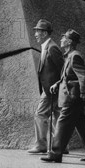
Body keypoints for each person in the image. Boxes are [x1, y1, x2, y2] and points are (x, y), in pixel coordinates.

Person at [41, 29, 85, 163]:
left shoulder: (75, 56)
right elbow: (68, 76)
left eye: (64, 38)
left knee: (62, 123)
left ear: (69, 41)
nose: (61, 40)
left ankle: (55, 153)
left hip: (72, 97)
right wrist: (57, 84)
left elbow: (83, 76)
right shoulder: (68, 55)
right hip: (71, 96)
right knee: (81, 126)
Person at [28, 19, 65, 154]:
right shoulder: (46, 46)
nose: (36, 34)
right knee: (57, 117)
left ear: (44, 33)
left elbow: (63, 70)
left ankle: (41, 145)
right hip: (50, 89)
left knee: (40, 115)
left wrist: (58, 85)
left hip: (51, 90)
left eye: (37, 31)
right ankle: (61, 145)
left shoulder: (52, 48)